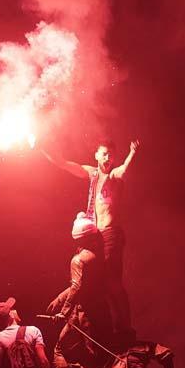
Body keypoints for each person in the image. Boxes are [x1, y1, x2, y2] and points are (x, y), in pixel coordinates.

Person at [39, 216, 124, 368]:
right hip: (102, 314)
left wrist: (63, 311)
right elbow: (81, 285)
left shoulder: (77, 259)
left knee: (60, 345)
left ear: (77, 239)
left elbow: (77, 286)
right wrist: (60, 297)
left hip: (84, 316)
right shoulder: (98, 259)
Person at [40, 139, 139, 338]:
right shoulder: (92, 174)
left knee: (113, 283)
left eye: (111, 154)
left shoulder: (114, 176)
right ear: (96, 155)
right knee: (90, 277)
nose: (108, 157)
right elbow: (64, 164)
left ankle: (125, 329)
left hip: (111, 234)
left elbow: (124, 170)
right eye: (104, 153)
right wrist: (42, 146)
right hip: (95, 238)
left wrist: (132, 153)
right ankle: (101, 328)